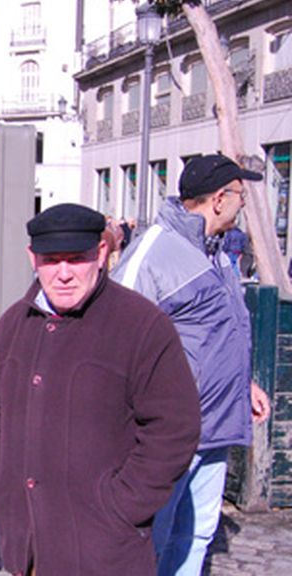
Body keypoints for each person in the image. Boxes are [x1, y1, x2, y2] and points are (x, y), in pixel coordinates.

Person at [0, 203, 201, 575]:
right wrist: (0, 485)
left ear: (102, 254)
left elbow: (175, 428)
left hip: (104, 553)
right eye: (51, 260)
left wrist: (120, 505)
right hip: (26, 550)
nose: (63, 274)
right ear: (33, 258)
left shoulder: (141, 325)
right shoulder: (14, 324)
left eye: (76, 259)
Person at [111, 154, 272, 575]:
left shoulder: (219, 251)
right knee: (151, 537)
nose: (243, 203)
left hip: (216, 424)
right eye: (240, 194)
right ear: (219, 198)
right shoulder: (155, 248)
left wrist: (245, 384)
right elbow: (114, 333)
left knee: (197, 533)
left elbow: (219, 332)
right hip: (170, 431)